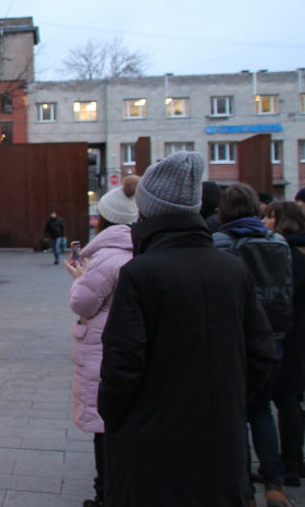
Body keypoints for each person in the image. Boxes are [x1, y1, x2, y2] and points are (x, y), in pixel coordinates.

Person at [98, 152, 277, 506]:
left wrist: (116, 419)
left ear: (146, 210)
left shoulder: (140, 273)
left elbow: (122, 366)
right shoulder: (233, 269)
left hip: (151, 446)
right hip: (221, 443)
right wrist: (229, 402)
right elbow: (262, 351)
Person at [214, 183, 294, 507]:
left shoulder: (218, 242)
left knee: (234, 413)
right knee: (262, 410)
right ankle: (274, 484)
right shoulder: (278, 242)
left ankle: (244, 489)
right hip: (273, 336)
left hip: (233, 339)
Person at [64, 175, 140, 507]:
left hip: (103, 349)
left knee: (104, 427)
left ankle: (105, 494)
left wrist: (79, 278)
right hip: (128, 348)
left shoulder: (108, 256)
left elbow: (82, 303)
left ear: (104, 220)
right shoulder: (140, 250)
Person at [267, 201, 305, 488]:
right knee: (292, 398)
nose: (265, 221)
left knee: (287, 398)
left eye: (269, 216)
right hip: (299, 332)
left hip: (292, 334)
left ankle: (290, 465)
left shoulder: (289, 254)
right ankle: (296, 462)